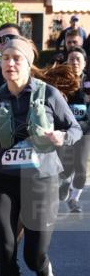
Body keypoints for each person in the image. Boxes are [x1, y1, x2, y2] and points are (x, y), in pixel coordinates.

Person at [0, 37, 82, 276]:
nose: (9, 64)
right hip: (4, 180)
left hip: (41, 180)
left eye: (16, 59)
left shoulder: (48, 94)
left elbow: (74, 127)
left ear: (27, 63)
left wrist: (63, 138)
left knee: (33, 254)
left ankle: (44, 272)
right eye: (5, 59)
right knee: (5, 248)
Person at [60, 47, 90, 212]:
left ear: (84, 62)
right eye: (71, 59)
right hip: (66, 130)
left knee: (81, 166)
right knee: (66, 165)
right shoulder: (61, 81)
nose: (75, 62)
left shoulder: (88, 80)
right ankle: (64, 183)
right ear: (67, 62)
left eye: (78, 59)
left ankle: (74, 199)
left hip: (85, 129)